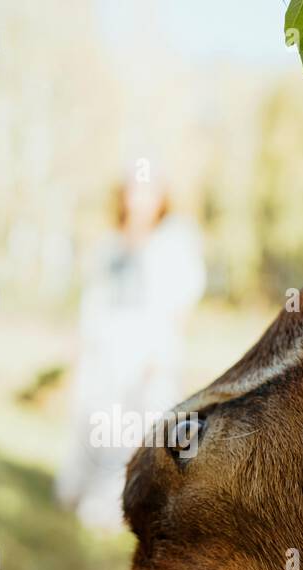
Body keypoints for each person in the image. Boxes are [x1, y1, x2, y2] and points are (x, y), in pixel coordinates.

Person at [56, 176, 205, 531]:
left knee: (141, 424)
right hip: (106, 349)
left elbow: (180, 304)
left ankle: (125, 501)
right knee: (99, 419)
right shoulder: (108, 245)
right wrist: (84, 345)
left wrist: (164, 351)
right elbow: (93, 301)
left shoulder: (172, 244)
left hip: (149, 351)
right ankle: (89, 488)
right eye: (135, 193)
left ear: (160, 198)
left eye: (148, 193)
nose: (140, 201)